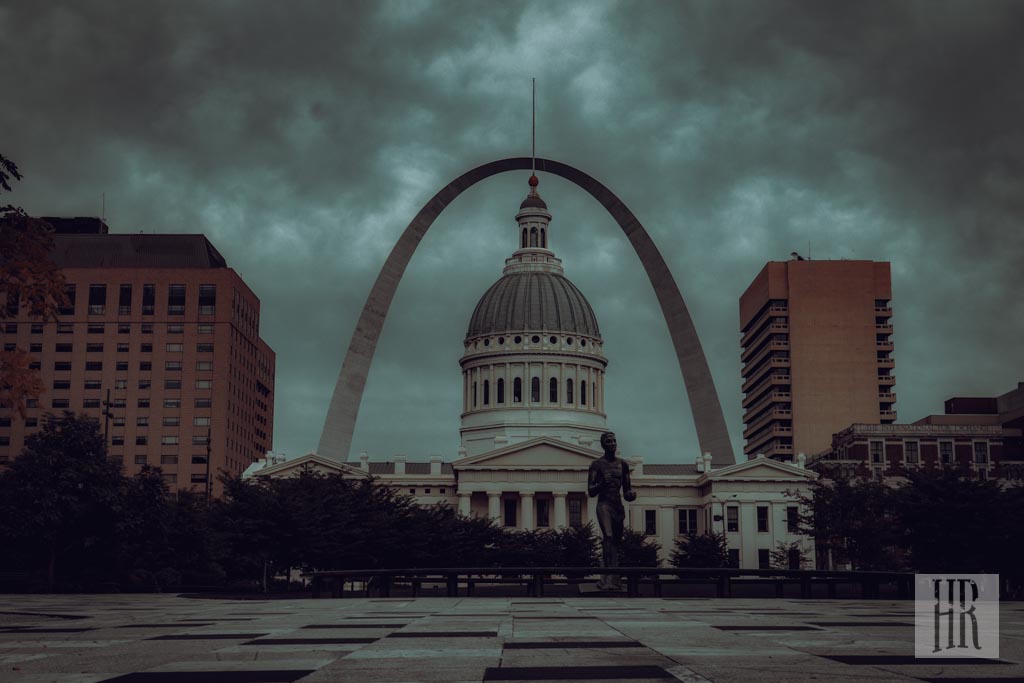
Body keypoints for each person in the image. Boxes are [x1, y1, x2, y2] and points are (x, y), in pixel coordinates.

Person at [587, 431, 636, 590]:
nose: (612, 444)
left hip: (617, 505)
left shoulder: (623, 465)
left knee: (616, 541)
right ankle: (607, 576)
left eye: (614, 441)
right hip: (604, 505)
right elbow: (591, 490)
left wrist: (631, 495)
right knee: (608, 536)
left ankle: (613, 578)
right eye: (609, 441)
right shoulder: (596, 465)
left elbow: (627, 490)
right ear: (603, 445)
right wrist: (601, 483)